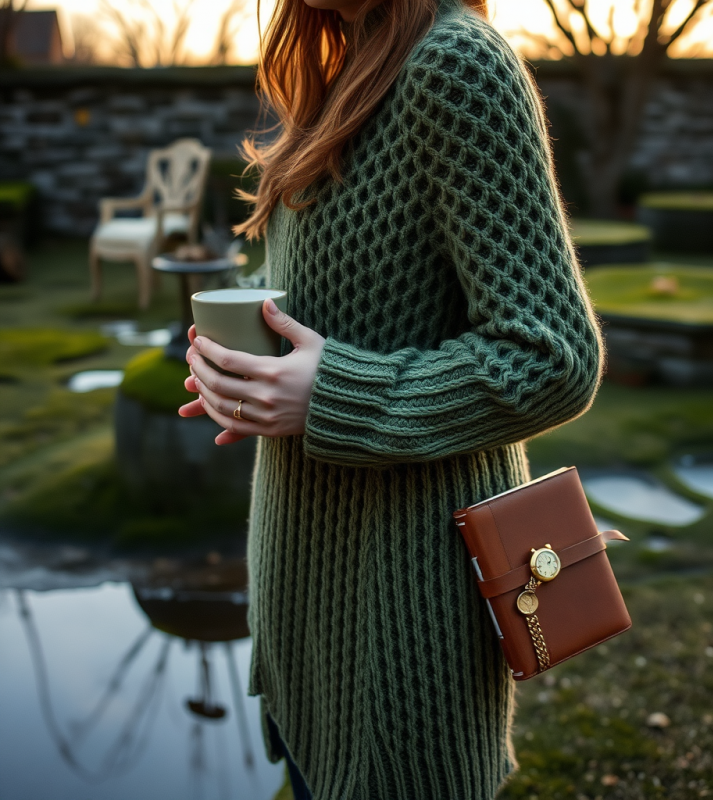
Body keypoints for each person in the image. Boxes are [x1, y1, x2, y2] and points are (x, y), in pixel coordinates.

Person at [179, 0, 604, 797]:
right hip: (309, 600)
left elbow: (553, 355)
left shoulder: (459, 67)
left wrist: (334, 396)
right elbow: (325, 302)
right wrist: (240, 367)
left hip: (401, 625)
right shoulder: (337, 77)